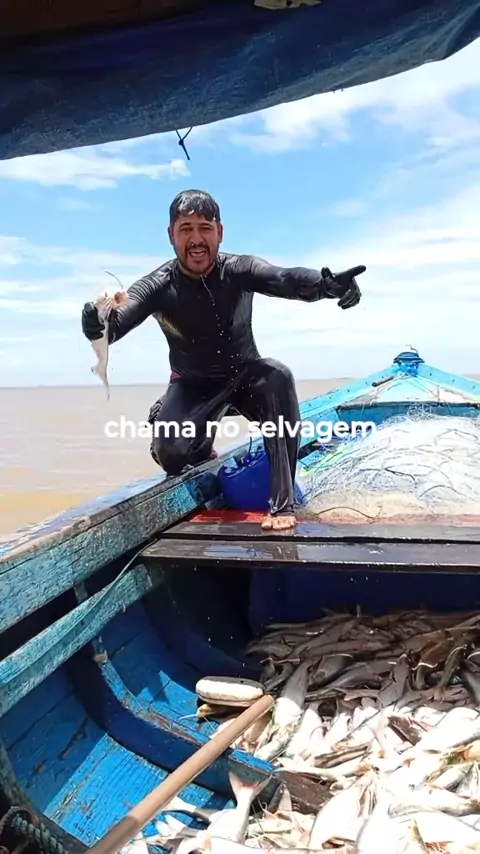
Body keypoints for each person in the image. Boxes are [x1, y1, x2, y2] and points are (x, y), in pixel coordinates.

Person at [82, 189, 365, 530]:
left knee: (278, 375)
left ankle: (282, 505)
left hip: (245, 377)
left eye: (205, 228)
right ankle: (189, 430)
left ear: (220, 232)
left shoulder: (239, 269)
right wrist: (95, 323)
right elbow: (115, 324)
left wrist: (325, 285)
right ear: (171, 235)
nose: (196, 239)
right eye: (186, 229)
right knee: (172, 455)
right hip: (192, 385)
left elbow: (285, 278)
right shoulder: (158, 285)